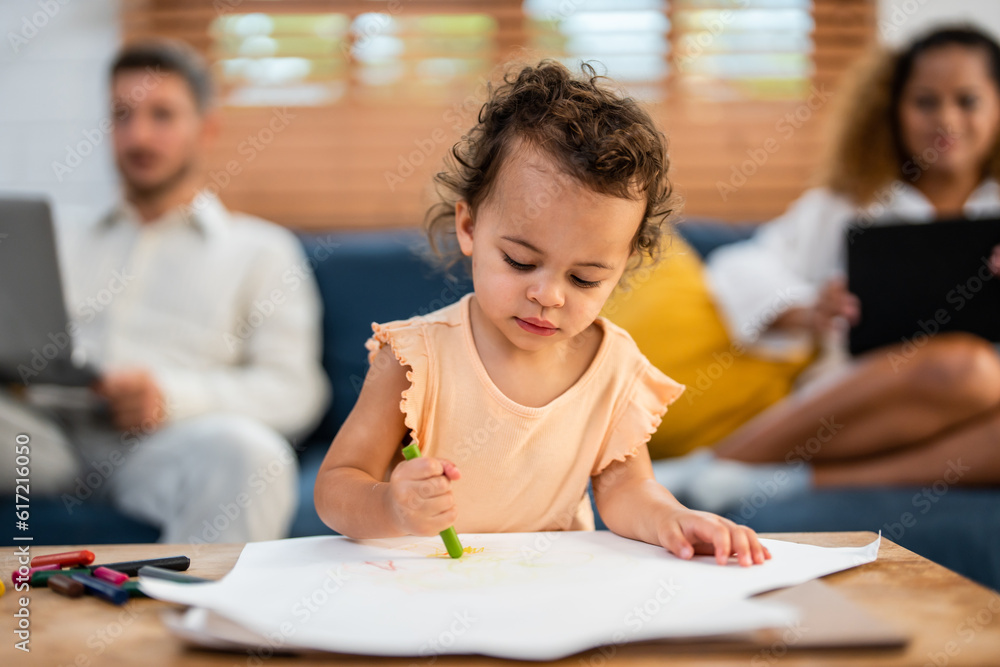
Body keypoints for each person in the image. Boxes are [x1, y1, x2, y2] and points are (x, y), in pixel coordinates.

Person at [314, 61, 771, 567]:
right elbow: (336, 489)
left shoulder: (613, 365)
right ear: (469, 227)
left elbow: (627, 493)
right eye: (521, 261)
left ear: (623, 267)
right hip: (426, 592)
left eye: (584, 278)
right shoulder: (414, 358)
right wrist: (392, 507)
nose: (549, 294)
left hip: (550, 599)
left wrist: (671, 519)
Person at [0, 40, 330, 542]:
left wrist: (169, 398)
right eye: (122, 115)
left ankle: (197, 618)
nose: (138, 135)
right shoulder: (53, 239)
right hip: (42, 438)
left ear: (207, 128)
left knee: (253, 456)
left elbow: (295, 392)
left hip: (163, 449)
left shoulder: (262, 251)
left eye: (162, 115)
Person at [661, 25, 1000, 512]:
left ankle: (796, 482)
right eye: (925, 102)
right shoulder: (847, 206)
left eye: (967, 101)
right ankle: (707, 465)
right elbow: (737, 266)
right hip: (865, 405)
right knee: (969, 370)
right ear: (892, 110)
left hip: (975, 427)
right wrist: (805, 311)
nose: (946, 118)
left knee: (986, 375)